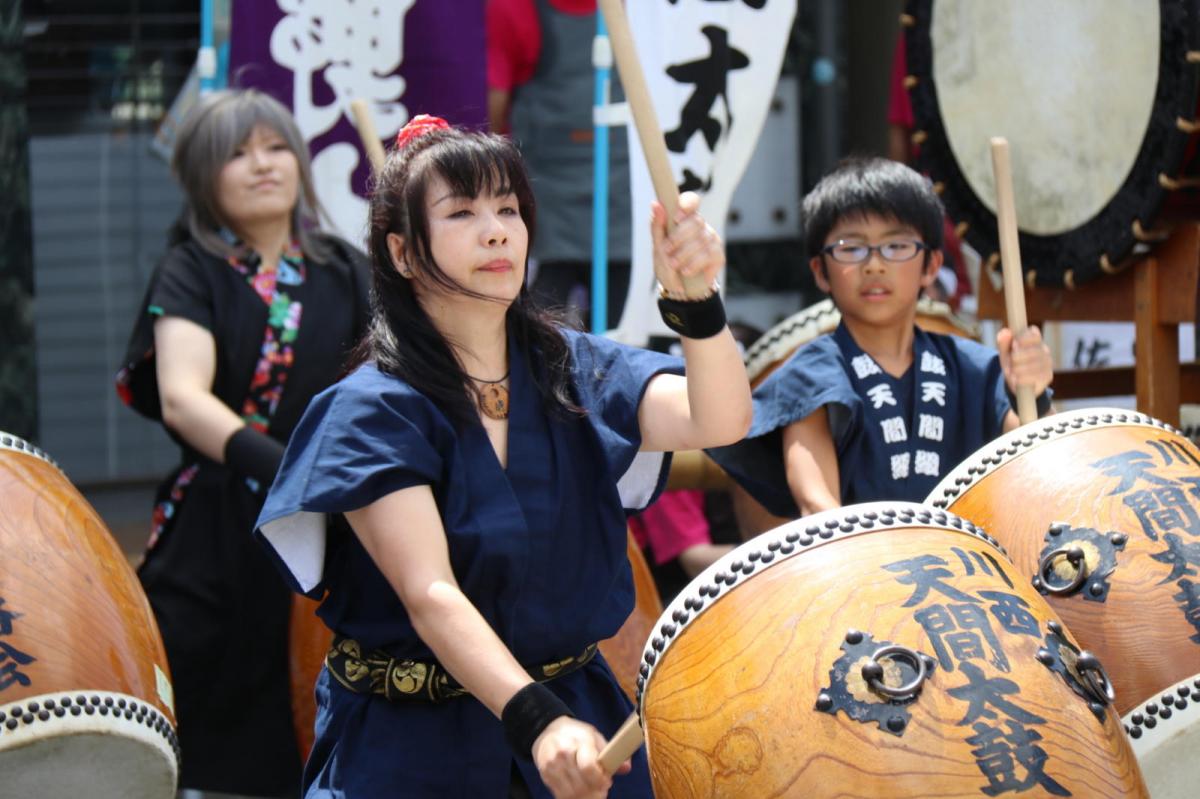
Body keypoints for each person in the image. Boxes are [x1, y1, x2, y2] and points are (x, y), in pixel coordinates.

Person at [252, 116, 751, 798]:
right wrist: (538, 722)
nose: (496, 231)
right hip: (415, 749)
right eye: (461, 212)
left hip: (581, 728)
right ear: (402, 253)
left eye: (508, 209)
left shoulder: (574, 368)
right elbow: (431, 594)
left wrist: (696, 298)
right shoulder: (368, 408)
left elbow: (718, 416)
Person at [115, 89, 370, 797]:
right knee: (202, 718)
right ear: (204, 177)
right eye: (236, 153)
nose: (262, 165)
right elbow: (182, 397)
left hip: (329, 523)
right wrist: (291, 467)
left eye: (275, 146)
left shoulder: (346, 269)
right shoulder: (190, 271)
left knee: (316, 709)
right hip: (220, 526)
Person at [707, 157, 1053, 519]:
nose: (874, 264)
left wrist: (1033, 390)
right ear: (820, 271)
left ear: (931, 265)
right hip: (861, 565)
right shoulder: (810, 374)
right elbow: (817, 505)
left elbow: (1038, 459)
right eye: (851, 248)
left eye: (896, 246)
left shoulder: (977, 366)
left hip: (972, 566)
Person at [487, 0, 631, 330]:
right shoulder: (513, 8)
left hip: (622, 205)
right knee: (531, 335)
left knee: (621, 340)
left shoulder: (646, 12)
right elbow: (495, 105)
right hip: (545, 205)